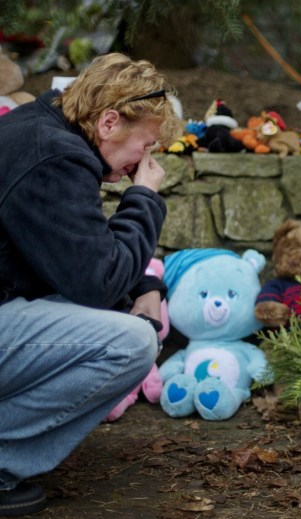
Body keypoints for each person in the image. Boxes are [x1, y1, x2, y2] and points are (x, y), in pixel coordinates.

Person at [0, 52, 181, 516]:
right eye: (146, 145)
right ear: (109, 122)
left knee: (120, 314)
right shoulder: (55, 157)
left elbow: (74, 250)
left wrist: (144, 284)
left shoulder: (42, 132)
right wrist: (143, 198)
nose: (145, 161)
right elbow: (97, 281)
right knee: (131, 343)